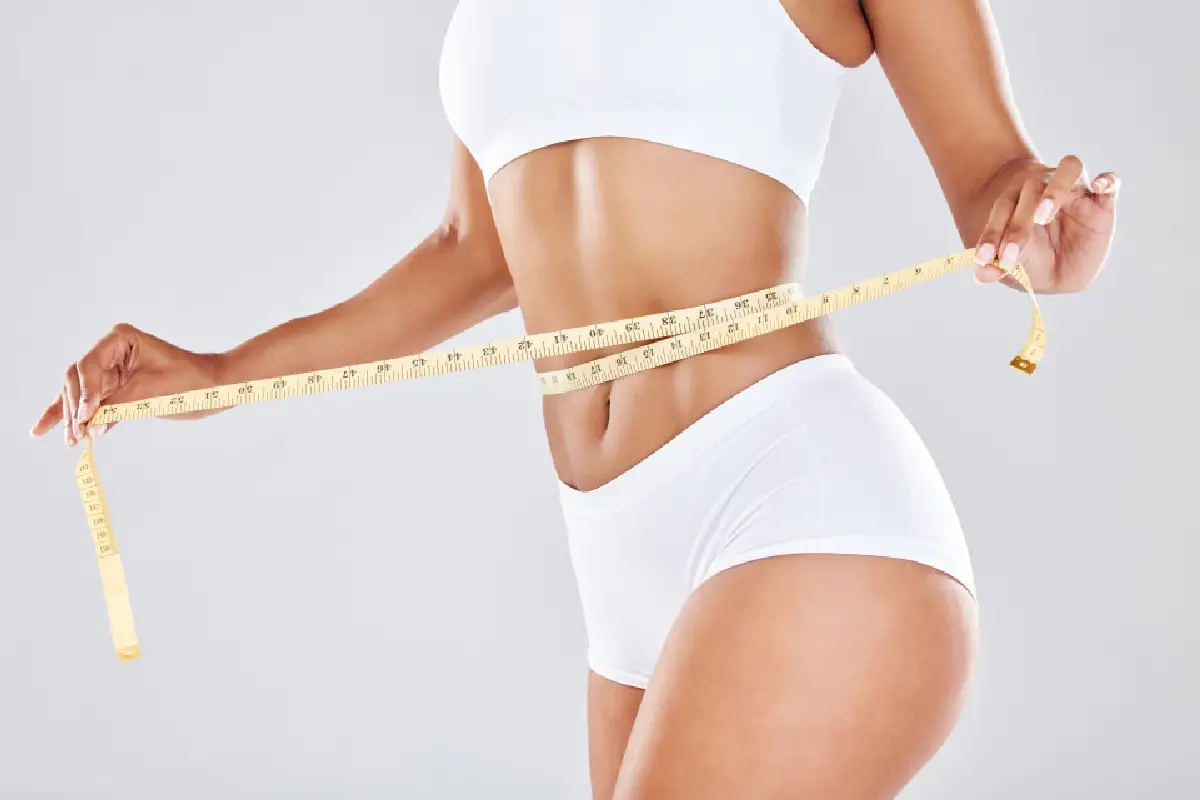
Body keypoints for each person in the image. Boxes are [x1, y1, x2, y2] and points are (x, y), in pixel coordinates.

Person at [31, 1, 1119, 797]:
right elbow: (475, 249)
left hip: (793, 502)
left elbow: (997, 179)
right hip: (622, 570)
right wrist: (222, 375)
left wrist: (1037, 228)